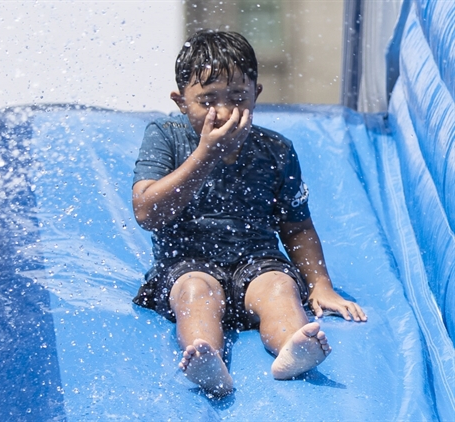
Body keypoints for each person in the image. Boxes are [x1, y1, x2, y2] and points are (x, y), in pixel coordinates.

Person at [131, 30, 367, 397]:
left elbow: (297, 227)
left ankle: (294, 346)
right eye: (208, 100)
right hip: (188, 264)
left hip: (257, 261)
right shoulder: (166, 136)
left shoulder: (276, 150)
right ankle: (205, 356)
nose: (224, 111)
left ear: (256, 94)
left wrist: (321, 286)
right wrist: (205, 155)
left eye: (237, 97)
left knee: (279, 289)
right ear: (181, 102)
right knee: (195, 293)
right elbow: (147, 211)